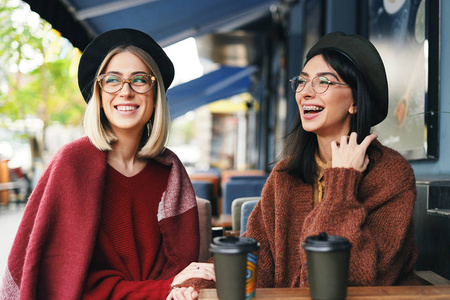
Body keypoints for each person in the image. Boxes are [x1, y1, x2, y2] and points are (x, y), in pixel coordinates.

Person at [176, 32, 420, 295]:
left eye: (323, 82)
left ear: (356, 101)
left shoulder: (391, 174)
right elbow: (258, 264)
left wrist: (342, 182)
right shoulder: (285, 175)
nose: (305, 92)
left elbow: (354, 280)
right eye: (302, 82)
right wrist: (198, 281)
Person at [0, 28, 214, 300]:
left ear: (155, 93)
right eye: (112, 80)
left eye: (139, 80)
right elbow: (61, 282)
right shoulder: (71, 164)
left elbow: (181, 276)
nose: (126, 91)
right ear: (99, 95)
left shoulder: (171, 172)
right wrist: (162, 289)